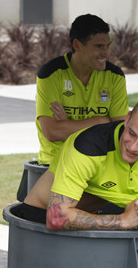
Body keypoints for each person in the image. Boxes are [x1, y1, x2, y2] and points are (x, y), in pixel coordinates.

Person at [21, 96, 138, 231]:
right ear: (127, 118)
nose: (133, 146)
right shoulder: (87, 146)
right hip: (40, 220)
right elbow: (57, 217)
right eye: (131, 133)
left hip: (99, 215)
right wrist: (123, 221)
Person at [34, 13, 129, 166]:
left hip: (100, 164)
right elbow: (52, 132)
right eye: (99, 46)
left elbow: (119, 131)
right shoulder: (50, 74)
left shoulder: (115, 76)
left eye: (108, 46)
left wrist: (67, 124)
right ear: (77, 45)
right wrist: (101, 121)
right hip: (56, 164)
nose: (106, 53)